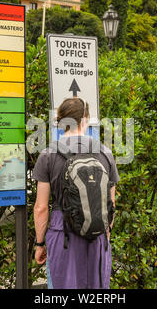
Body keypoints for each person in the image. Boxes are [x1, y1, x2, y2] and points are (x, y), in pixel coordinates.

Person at [32, 97, 120, 289]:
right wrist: (104, 233)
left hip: (63, 234)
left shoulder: (48, 155)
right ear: (85, 120)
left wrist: (40, 244)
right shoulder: (105, 153)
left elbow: (40, 208)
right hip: (97, 237)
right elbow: (111, 204)